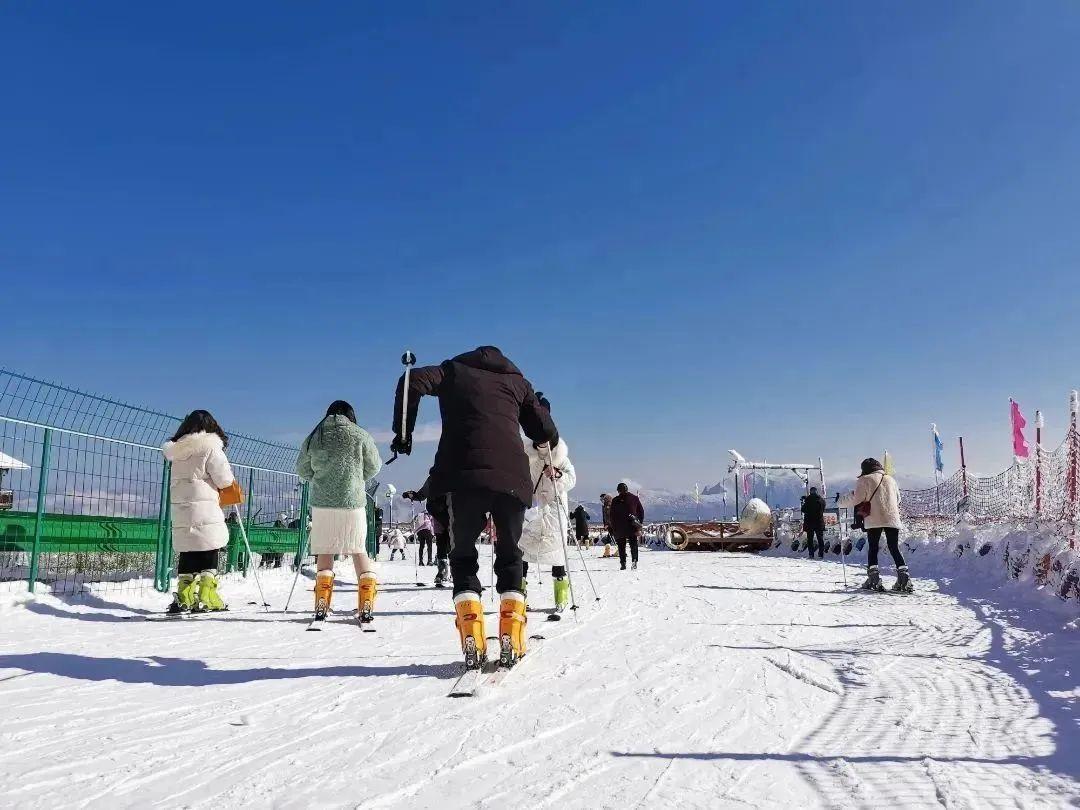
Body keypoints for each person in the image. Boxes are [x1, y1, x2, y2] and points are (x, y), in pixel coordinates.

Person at [391, 345, 558, 668]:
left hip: (461, 478)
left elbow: (410, 381)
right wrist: (543, 437)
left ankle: (472, 632)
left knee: (463, 555)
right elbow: (545, 431)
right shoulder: (517, 382)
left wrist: (404, 434)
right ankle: (512, 630)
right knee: (511, 554)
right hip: (512, 480)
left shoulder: (452, 371)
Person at [296, 400, 383, 623]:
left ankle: (322, 602)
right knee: (357, 548)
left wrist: (319, 479)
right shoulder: (360, 434)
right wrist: (356, 478)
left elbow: (303, 469)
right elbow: (374, 466)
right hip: (352, 501)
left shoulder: (315, 435)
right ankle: (366, 601)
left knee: (325, 550)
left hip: (322, 502)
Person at [162, 410, 237, 614]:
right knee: (209, 547)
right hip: (205, 508)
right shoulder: (211, 447)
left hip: (182, 509)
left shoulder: (177, 451)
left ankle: (184, 597)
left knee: (188, 549)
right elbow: (224, 480)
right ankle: (206, 596)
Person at [519, 401, 577, 616]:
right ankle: (518, 598)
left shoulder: (561, 455)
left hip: (553, 510)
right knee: (522, 555)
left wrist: (558, 476)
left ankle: (561, 597)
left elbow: (572, 478)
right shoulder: (524, 453)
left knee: (556, 555)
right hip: (530, 510)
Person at [840, 458, 910, 593]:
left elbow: (857, 499)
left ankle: (874, 578)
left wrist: (841, 502)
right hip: (892, 518)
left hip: (874, 519)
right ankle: (904, 577)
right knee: (894, 547)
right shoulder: (890, 479)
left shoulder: (864, 479)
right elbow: (898, 499)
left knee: (873, 547)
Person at [403, 480, 452, 586]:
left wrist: (413, 495)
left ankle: (443, 571)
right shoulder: (458, 473)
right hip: (451, 515)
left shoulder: (434, 476)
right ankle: (452, 571)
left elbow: (422, 494)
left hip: (440, 514)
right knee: (452, 544)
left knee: (443, 543)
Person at [609, 482, 645, 571]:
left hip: (620, 527)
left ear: (618, 491)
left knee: (621, 546)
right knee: (633, 544)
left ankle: (623, 563)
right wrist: (639, 522)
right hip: (632, 525)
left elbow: (612, 515)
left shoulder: (615, 500)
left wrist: (613, 527)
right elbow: (641, 512)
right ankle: (634, 561)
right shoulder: (634, 498)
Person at [801, 487, 827, 560]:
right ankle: (821, 554)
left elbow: (803, 509)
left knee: (810, 539)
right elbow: (823, 508)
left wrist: (804, 501)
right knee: (820, 539)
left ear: (810, 492)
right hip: (819, 522)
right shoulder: (821, 500)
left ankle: (811, 554)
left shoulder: (808, 500)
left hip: (810, 523)